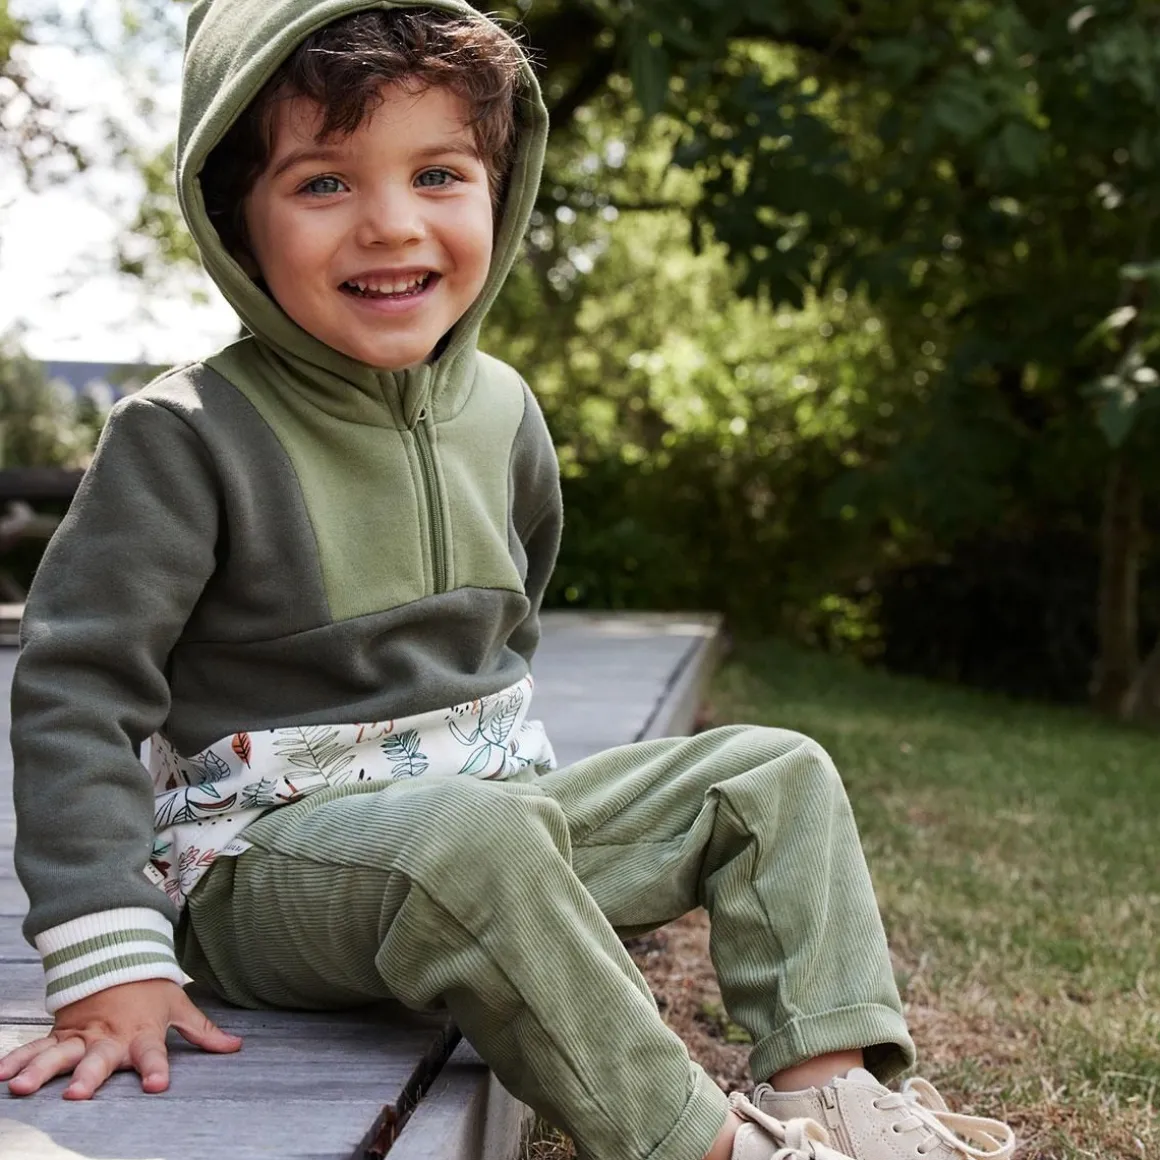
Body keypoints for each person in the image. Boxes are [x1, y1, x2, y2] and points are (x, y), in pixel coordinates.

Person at [0, 3, 1016, 1160]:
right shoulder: (184, 434)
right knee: (471, 840)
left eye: (437, 172)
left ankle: (828, 1093)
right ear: (236, 216)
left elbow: (509, 622)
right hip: (262, 869)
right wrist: (109, 947)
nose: (391, 225)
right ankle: (707, 1147)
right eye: (323, 183)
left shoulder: (504, 412)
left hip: (493, 833)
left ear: (500, 188)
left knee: (770, 771)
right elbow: (77, 687)